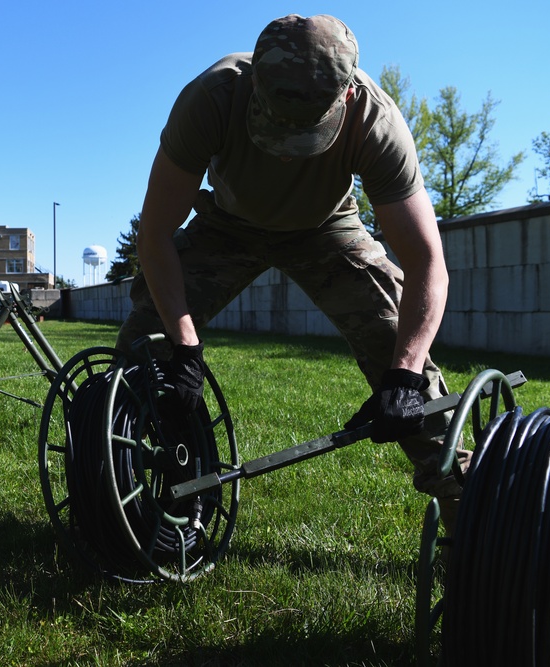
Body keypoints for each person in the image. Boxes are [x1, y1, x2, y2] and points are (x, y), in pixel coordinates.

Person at [116, 14, 467, 533]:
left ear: (346, 96)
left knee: (402, 354)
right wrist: (184, 346)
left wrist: (405, 374)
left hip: (326, 227)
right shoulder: (210, 98)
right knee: (145, 344)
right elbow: (156, 234)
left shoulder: (377, 122)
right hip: (227, 225)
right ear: (254, 80)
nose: (284, 152)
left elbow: (426, 263)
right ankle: (121, 494)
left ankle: (474, 518)